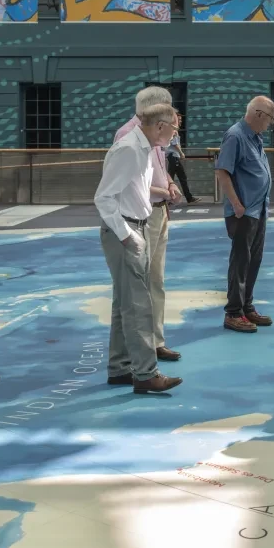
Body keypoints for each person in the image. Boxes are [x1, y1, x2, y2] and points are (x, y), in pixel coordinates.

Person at [95, 102, 183, 394]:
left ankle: (120, 367)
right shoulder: (130, 149)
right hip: (125, 229)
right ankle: (145, 374)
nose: (175, 133)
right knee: (138, 305)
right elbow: (104, 198)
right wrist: (127, 236)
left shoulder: (143, 148)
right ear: (159, 126)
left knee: (125, 304)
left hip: (135, 225)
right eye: (174, 128)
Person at [115, 91, 184, 362]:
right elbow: (130, 184)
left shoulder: (156, 133)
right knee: (138, 286)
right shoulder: (128, 136)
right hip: (140, 216)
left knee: (156, 281)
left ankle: (155, 341)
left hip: (158, 212)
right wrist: (163, 191)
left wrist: (170, 183)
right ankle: (138, 349)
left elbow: (158, 167)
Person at [214, 96, 274, 334]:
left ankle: (247, 306)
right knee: (240, 262)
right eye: (270, 118)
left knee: (253, 260)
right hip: (244, 212)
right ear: (259, 114)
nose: (270, 124)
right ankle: (233, 312)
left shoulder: (255, 138)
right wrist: (237, 205)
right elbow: (222, 172)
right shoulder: (235, 136)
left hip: (258, 210)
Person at [165, 128, 199, 204]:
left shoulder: (170, 131)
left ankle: (170, 198)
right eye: (178, 120)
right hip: (174, 156)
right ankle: (188, 198)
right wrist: (181, 153)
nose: (180, 121)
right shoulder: (173, 131)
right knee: (181, 177)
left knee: (172, 177)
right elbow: (175, 143)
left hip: (172, 157)